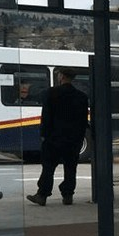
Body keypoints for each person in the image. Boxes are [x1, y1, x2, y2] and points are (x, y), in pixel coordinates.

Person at [27, 67, 89, 206]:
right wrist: (79, 137)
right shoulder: (81, 96)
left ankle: (42, 195)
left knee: (48, 167)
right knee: (70, 168)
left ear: (61, 76)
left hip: (54, 138)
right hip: (73, 140)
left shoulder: (51, 93)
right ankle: (68, 196)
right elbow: (83, 120)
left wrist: (44, 134)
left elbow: (46, 116)